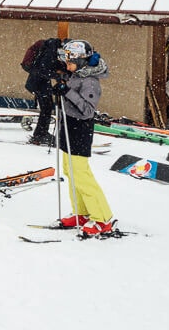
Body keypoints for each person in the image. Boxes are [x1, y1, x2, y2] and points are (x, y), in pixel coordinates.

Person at [53, 39, 116, 237]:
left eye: (70, 60)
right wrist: (61, 89)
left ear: (81, 61)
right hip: (68, 126)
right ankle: (82, 212)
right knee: (69, 171)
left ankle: (102, 218)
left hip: (80, 129)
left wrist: (68, 91)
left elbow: (88, 111)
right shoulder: (76, 74)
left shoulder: (90, 81)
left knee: (81, 175)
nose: (66, 64)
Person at [23, 37, 64, 146]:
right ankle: (40, 135)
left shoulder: (51, 48)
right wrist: (57, 76)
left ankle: (40, 134)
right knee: (46, 108)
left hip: (40, 82)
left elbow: (50, 66)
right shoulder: (51, 50)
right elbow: (43, 70)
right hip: (38, 82)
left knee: (47, 108)